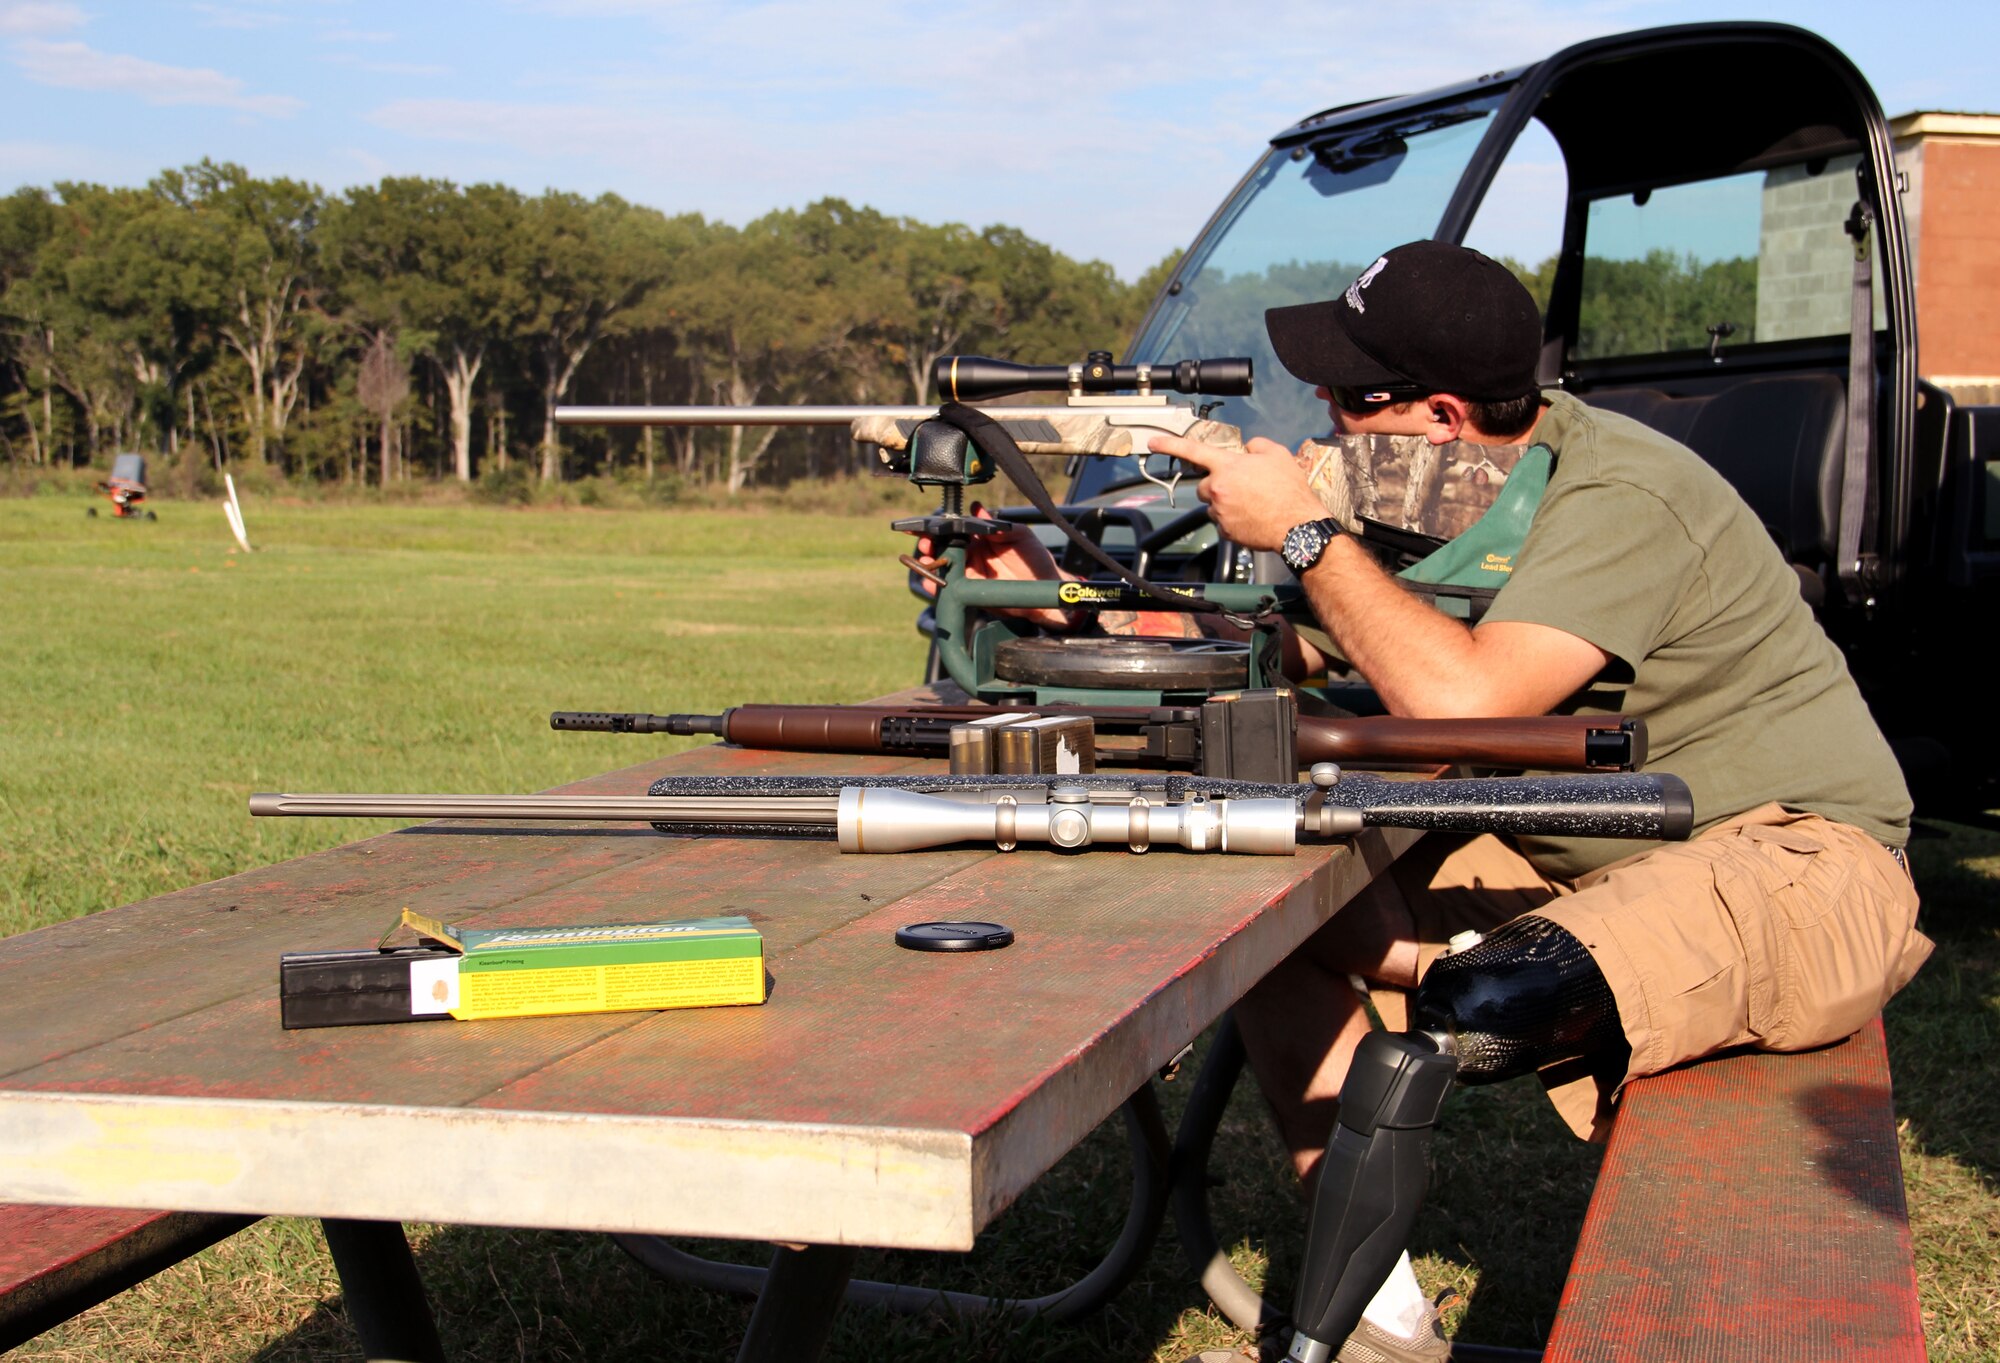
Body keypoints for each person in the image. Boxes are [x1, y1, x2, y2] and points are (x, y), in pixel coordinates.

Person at [957, 240, 1932, 1363]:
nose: (1319, 412)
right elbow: (1297, 653)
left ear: (1436, 413)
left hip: (1792, 864)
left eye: (1345, 395)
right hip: (1592, 856)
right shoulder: (1443, 486)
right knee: (1273, 919)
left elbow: (1459, 701)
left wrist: (1305, 533)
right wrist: (1057, 606)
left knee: (1492, 994)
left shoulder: (1622, 492)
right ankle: (1378, 1320)